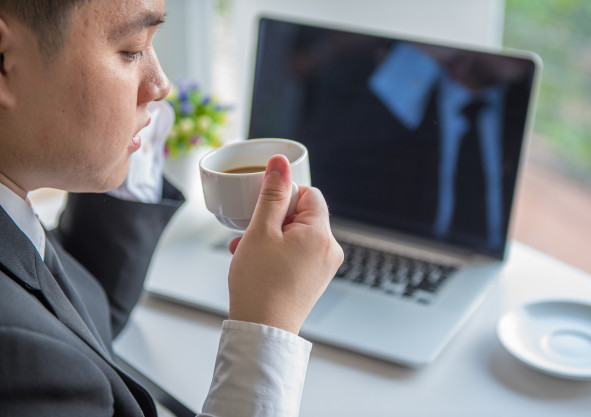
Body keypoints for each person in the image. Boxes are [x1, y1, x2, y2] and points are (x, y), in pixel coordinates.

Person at [0, 1, 344, 416]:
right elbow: (47, 347)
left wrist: (117, 155)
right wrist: (267, 327)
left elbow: (73, 313)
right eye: (132, 49)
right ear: (4, 62)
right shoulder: (20, 356)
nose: (161, 85)